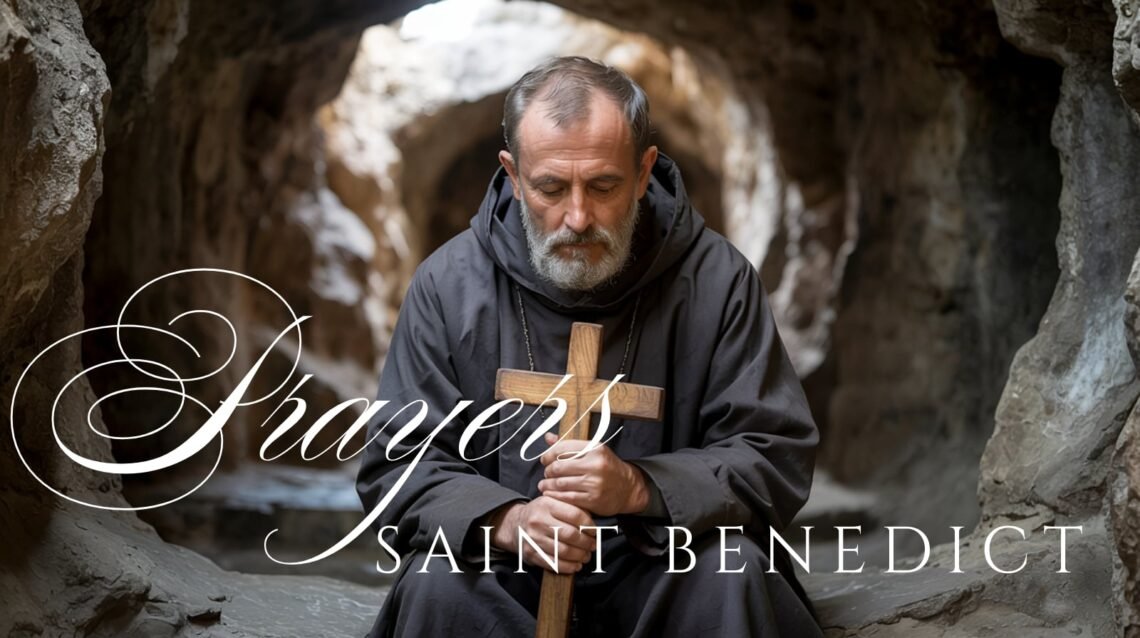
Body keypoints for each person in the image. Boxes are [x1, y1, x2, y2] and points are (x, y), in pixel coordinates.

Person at [356, 56, 822, 637]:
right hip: (506, 570)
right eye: (550, 188)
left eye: (604, 186)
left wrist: (639, 487)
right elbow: (396, 468)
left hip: (665, 562)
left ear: (645, 168)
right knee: (434, 583)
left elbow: (772, 453)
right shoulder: (447, 285)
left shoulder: (718, 281)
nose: (577, 217)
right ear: (513, 173)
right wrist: (510, 521)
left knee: (733, 573)